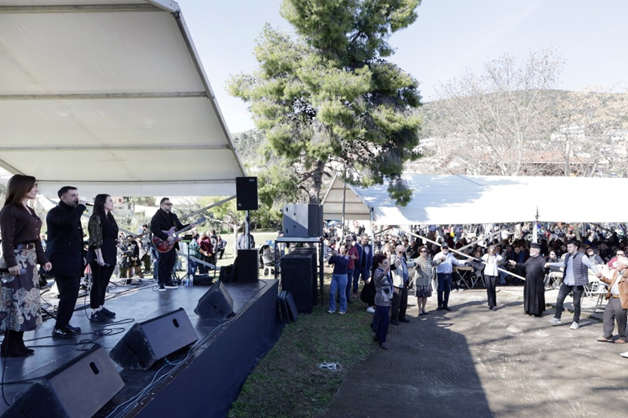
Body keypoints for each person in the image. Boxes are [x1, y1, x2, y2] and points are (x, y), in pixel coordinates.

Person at [0, 175, 52, 357]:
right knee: (15, 302)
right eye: (32, 187)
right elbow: (6, 239)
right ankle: (9, 345)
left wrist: (43, 260)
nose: (36, 190)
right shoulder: (10, 210)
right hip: (17, 258)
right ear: (22, 188)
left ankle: (18, 343)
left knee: (26, 303)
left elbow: (35, 239)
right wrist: (11, 263)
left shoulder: (29, 210)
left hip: (29, 260)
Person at [45, 186, 87, 338]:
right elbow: (69, 222)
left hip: (73, 259)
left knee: (72, 294)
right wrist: (80, 207)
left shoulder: (72, 213)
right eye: (73, 195)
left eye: (77, 194)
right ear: (63, 198)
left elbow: (76, 238)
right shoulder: (55, 213)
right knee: (67, 294)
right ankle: (60, 326)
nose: (77, 197)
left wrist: (82, 255)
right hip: (62, 261)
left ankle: (64, 324)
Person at [545, 240, 601, 330]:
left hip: (577, 283)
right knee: (559, 299)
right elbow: (563, 264)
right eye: (568, 247)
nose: (568, 248)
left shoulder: (582, 256)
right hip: (566, 282)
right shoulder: (567, 256)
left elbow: (591, 265)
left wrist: (596, 272)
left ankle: (575, 321)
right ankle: (557, 317)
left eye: (570, 247)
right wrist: (551, 263)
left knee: (576, 303)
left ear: (576, 247)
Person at [87, 194, 119, 322]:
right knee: (98, 282)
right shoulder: (96, 217)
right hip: (100, 254)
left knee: (104, 283)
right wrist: (99, 256)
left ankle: (100, 306)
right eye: (110, 201)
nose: (112, 203)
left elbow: (109, 235)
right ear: (102, 203)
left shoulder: (109, 217)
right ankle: (95, 310)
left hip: (110, 252)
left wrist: (116, 241)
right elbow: (95, 238)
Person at [150, 197, 188, 291]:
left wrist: (189, 226)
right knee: (163, 262)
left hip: (171, 244)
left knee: (171, 262)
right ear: (162, 205)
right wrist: (166, 237)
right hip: (161, 242)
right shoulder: (157, 216)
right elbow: (154, 229)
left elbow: (179, 227)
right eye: (167, 204)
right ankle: (161, 282)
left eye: (170, 204)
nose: (170, 206)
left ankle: (167, 281)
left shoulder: (173, 216)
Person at [596, 256, 628, 344]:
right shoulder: (616, 272)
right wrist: (602, 277)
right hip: (612, 297)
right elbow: (612, 282)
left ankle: (623, 337)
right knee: (607, 315)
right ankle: (607, 335)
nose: (616, 264)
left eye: (618, 263)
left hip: (621, 298)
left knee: (621, 318)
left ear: (625, 265)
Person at [509, 242, 546, 317]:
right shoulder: (530, 259)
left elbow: (545, 267)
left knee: (536, 297)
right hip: (529, 281)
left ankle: (537, 311)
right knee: (528, 295)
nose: (530, 251)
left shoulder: (541, 260)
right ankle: (528, 309)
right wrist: (515, 264)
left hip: (537, 282)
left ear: (537, 251)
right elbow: (524, 266)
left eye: (532, 250)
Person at [434, 244, 467, 311]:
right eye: (444, 247)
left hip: (449, 274)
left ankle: (445, 305)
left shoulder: (450, 255)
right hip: (441, 274)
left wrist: (465, 261)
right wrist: (440, 260)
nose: (445, 249)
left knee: (447, 290)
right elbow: (433, 263)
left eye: (446, 247)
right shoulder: (438, 255)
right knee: (440, 290)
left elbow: (457, 262)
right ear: (441, 248)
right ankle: (439, 305)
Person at [372, 254, 393, 350]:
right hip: (381, 300)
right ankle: (382, 341)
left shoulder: (384, 271)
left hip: (386, 299)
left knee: (382, 319)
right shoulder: (378, 272)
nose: (387, 265)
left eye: (387, 263)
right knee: (386, 320)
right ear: (379, 264)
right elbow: (378, 278)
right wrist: (384, 272)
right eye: (385, 263)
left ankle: (377, 336)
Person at [390, 244, 411, 325]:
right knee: (396, 302)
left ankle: (402, 316)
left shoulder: (403, 258)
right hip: (397, 283)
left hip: (404, 282)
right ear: (396, 251)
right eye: (400, 252)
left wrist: (415, 263)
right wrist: (395, 264)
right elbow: (391, 266)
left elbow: (406, 265)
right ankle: (393, 318)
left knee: (404, 301)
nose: (402, 253)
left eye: (403, 252)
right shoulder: (393, 257)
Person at [328, 245, 350, 315]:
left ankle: (343, 308)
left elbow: (343, 264)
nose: (342, 249)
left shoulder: (346, 257)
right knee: (332, 292)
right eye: (341, 248)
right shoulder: (337, 256)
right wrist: (333, 256)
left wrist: (337, 256)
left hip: (343, 276)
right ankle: (332, 308)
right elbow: (330, 262)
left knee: (342, 293)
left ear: (345, 249)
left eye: (343, 248)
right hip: (335, 275)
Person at [414, 245, 435, 315]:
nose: (423, 252)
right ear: (419, 252)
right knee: (420, 296)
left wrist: (440, 260)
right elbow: (415, 267)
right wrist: (417, 265)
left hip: (427, 280)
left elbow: (433, 263)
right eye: (421, 251)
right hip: (420, 281)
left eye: (424, 251)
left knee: (425, 296)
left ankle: (423, 308)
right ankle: (419, 309)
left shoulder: (428, 259)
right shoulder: (417, 260)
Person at [480, 245, 503, 311]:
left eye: (492, 251)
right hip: (487, 273)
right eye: (490, 251)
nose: (491, 252)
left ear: (495, 251)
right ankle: (490, 304)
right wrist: (472, 260)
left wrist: (501, 262)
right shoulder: (486, 255)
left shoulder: (497, 256)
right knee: (489, 288)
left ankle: (493, 304)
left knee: (493, 288)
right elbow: (479, 260)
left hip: (494, 273)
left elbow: (502, 261)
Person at [355, 235, 374, 309]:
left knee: (368, 281)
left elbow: (370, 256)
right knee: (355, 279)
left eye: (367, 239)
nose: (366, 240)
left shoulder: (369, 247)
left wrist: (370, 265)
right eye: (365, 239)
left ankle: (366, 293)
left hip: (365, 267)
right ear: (362, 239)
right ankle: (355, 291)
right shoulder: (357, 245)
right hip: (357, 266)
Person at [344, 235, 359, 303]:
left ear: (352, 241)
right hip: (343, 268)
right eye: (347, 240)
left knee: (349, 283)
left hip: (351, 268)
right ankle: (340, 297)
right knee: (342, 283)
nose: (348, 242)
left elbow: (358, 257)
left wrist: (354, 257)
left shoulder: (354, 248)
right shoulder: (343, 248)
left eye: (349, 240)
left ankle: (347, 297)